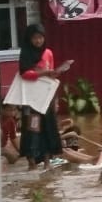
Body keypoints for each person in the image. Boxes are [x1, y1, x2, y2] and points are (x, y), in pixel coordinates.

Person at [17, 24, 66, 171]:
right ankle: (32, 162)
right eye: (35, 38)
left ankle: (47, 161)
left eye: (40, 37)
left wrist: (55, 98)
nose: (38, 41)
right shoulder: (25, 54)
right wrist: (42, 73)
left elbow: (51, 77)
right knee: (33, 129)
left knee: (48, 128)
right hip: (31, 100)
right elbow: (24, 74)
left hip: (46, 97)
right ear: (29, 39)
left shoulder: (48, 53)